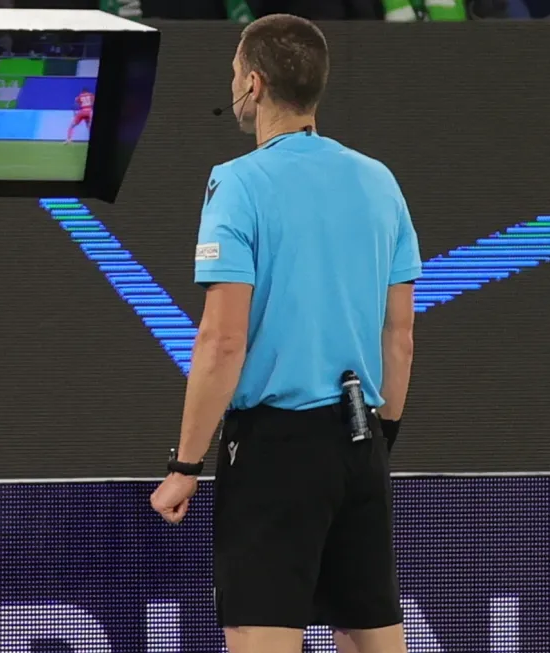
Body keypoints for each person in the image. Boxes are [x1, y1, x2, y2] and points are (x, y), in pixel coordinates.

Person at [147, 13, 420, 653]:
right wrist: (377, 444)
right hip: (359, 445)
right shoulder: (381, 181)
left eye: (235, 75)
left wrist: (185, 465)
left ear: (255, 83)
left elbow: (221, 341)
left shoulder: (238, 183)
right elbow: (400, 335)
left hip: (277, 454)